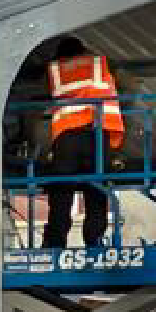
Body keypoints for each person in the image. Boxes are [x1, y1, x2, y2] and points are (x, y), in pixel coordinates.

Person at [40, 36, 126, 249]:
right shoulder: (101, 64)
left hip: (68, 135)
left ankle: (55, 244)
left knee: (62, 190)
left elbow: (43, 92)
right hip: (99, 134)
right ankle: (94, 242)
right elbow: (123, 85)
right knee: (96, 189)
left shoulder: (55, 69)